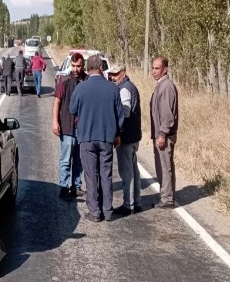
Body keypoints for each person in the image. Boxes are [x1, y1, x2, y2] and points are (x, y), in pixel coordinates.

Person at [70, 55, 124, 222]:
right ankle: (108, 211)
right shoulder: (113, 88)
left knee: (91, 175)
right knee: (106, 174)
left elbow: (72, 109)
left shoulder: (81, 88)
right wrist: (117, 134)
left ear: (87, 68)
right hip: (106, 137)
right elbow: (120, 115)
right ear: (101, 67)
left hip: (87, 137)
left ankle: (95, 212)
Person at [106, 63, 143, 215]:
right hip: (134, 135)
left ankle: (129, 205)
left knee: (126, 171)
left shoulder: (124, 89)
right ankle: (137, 202)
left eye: (116, 74)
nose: (112, 77)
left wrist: (114, 116)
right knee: (134, 170)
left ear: (123, 73)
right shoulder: (129, 86)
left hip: (127, 136)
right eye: (112, 74)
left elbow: (126, 112)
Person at [52, 53, 86, 200]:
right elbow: (57, 102)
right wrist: (55, 121)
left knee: (79, 160)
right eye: (73, 66)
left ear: (83, 65)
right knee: (66, 159)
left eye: (78, 66)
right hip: (66, 126)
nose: (76, 69)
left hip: (83, 128)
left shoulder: (87, 81)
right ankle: (63, 187)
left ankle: (76, 186)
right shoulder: (64, 81)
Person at [150, 56, 179, 208]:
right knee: (162, 166)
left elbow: (167, 115)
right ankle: (166, 195)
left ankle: (167, 199)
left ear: (165, 69)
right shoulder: (161, 84)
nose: (153, 71)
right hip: (161, 134)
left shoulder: (166, 86)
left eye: (157, 68)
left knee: (165, 166)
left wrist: (162, 133)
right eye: (153, 68)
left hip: (165, 136)